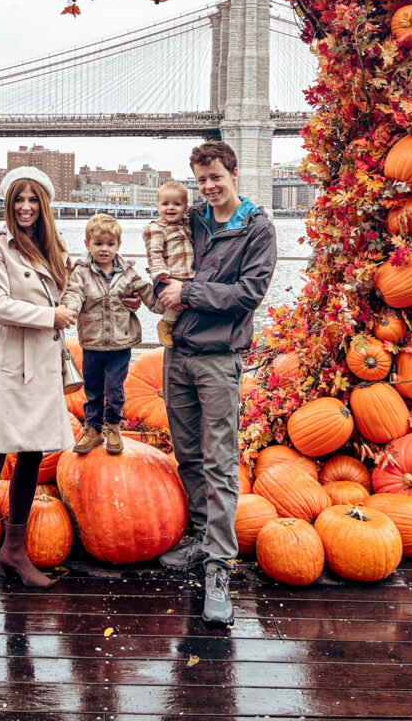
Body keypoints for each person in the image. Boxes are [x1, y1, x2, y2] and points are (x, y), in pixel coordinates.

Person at [156, 141, 277, 625]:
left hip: (219, 358)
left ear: (234, 173)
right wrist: (146, 295)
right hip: (176, 353)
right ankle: (203, 541)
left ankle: (220, 566)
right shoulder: (194, 219)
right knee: (188, 454)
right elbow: (168, 268)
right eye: (201, 181)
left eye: (216, 179)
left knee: (221, 462)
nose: (208, 188)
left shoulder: (257, 228)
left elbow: (248, 295)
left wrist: (187, 291)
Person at [0, 166, 77, 619]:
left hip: (42, 361)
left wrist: (119, 299)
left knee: (31, 455)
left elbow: (74, 297)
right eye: (18, 199)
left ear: (43, 205)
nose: (25, 207)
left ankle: (14, 550)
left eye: (33, 200)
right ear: (8, 204)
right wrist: (51, 316)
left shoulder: (55, 248)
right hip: (8, 361)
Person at [61, 213, 164, 455]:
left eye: (110, 244)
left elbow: (147, 294)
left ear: (118, 245)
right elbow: (74, 292)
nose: (104, 249)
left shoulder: (127, 272)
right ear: (87, 244)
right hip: (92, 343)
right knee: (93, 390)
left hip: (120, 343)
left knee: (115, 390)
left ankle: (114, 426)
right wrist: (70, 310)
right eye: (98, 244)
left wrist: (165, 307)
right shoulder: (81, 272)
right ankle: (93, 429)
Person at [142, 182, 195, 348]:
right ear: (157, 206)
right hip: (168, 276)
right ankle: (166, 323)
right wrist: (159, 272)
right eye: (165, 204)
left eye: (177, 204)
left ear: (186, 207)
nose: (171, 208)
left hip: (187, 275)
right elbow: (154, 252)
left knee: (193, 297)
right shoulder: (156, 228)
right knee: (178, 304)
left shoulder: (185, 224)